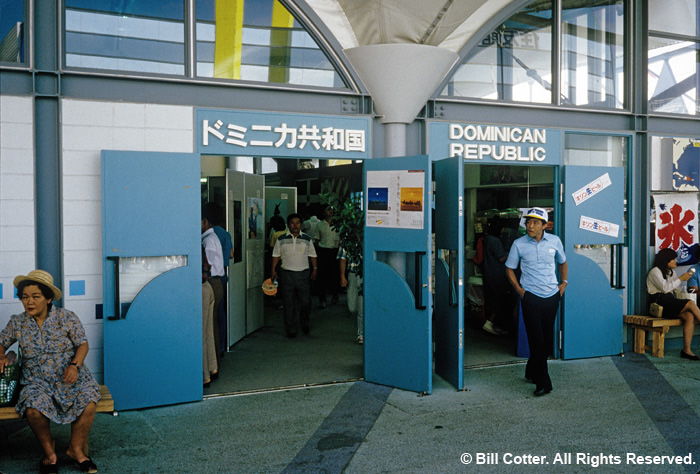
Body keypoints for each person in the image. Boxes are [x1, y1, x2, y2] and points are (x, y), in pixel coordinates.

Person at [0, 270, 101, 474]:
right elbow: (1, 343)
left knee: (89, 401)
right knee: (32, 409)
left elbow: (83, 345)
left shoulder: (67, 317)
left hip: (69, 374)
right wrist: (1, 356)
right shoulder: (17, 322)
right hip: (35, 379)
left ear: (47, 298)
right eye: (25, 297)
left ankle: (76, 449)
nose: (29, 302)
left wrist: (75, 365)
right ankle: (49, 454)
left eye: (35, 297)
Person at [505, 208, 568, 397]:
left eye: (534, 222)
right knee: (536, 339)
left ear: (544, 225)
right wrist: (519, 290)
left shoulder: (555, 241)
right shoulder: (519, 244)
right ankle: (543, 382)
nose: (530, 226)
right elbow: (509, 269)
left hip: (551, 296)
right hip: (530, 296)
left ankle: (531, 371)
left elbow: (562, 262)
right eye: (528, 222)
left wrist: (563, 284)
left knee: (546, 340)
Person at [647, 247, 700, 360]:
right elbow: (665, 289)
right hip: (659, 303)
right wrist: (680, 279)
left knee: (689, 316)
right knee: (690, 304)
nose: (676, 261)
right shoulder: (655, 271)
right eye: (673, 259)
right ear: (666, 260)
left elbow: (678, 291)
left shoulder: (671, 272)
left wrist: (685, 287)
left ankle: (686, 350)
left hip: (670, 302)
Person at [271, 213, 318, 338]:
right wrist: (273, 270)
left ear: (301, 225)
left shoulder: (307, 239)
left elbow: (313, 255)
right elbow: (275, 255)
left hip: (303, 274)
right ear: (288, 225)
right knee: (288, 303)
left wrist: (315, 269)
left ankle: (304, 323)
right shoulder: (281, 239)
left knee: (305, 302)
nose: (295, 225)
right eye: (292, 223)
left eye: (298, 223)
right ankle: (291, 329)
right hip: (286, 274)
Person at [481, 216, 513, 335]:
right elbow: (501, 258)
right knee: (498, 299)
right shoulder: (495, 240)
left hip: (489, 273)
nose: (504, 230)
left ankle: (491, 323)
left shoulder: (487, 239)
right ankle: (489, 323)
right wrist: (512, 252)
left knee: (491, 298)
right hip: (497, 275)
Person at [202, 208, 225, 372]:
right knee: (213, 324)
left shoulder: (208, 240)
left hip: (212, 282)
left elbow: (207, 264)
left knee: (211, 326)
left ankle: (213, 365)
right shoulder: (210, 237)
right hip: (215, 282)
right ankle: (213, 364)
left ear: (205, 222)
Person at [316, 206, 340, 308]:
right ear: (323, 212)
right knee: (322, 276)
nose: (330, 212)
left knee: (335, 275)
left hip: (335, 252)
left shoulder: (338, 224)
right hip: (323, 252)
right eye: (328, 209)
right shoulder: (320, 225)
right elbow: (317, 240)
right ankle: (322, 299)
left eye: (332, 210)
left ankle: (335, 295)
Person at [338, 243, 363, 344]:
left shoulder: (367, 236)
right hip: (352, 274)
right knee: (352, 307)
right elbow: (342, 259)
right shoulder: (347, 241)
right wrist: (342, 276)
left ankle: (361, 333)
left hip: (364, 274)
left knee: (362, 307)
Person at [202, 245, 218, 388]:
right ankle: (212, 368)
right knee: (208, 332)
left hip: (199, 288)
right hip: (207, 286)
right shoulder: (199, 243)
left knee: (201, 334)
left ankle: (204, 376)